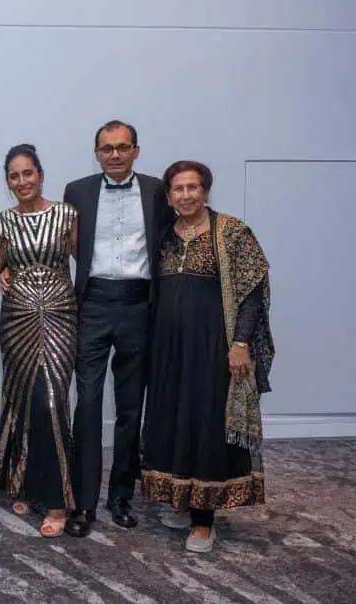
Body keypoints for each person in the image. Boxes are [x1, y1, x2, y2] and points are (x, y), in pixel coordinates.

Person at [141, 160, 273, 553]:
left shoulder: (230, 232)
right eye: (178, 189)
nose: (185, 195)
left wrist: (240, 344)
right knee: (172, 422)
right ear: (169, 196)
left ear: (206, 190)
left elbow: (252, 289)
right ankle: (181, 501)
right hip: (168, 350)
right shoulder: (165, 235)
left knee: (206, 426)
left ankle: (204, 521)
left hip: (212, 349)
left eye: (192, 187)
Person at [60, 120, 175, 538]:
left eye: (123, 147)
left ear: (136, 151)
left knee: (130, 409)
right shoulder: (77, 191)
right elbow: (61, 244)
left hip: (138, 306)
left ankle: (121, 497)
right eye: (107, 148)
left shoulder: (158, 191)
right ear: (96, 153)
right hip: (91, 305)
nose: (115, 154)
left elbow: (174, 240)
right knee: (87, 405)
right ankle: (83, 502)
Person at [0, 145, 78, 537]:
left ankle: (58, 499)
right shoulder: (2, 221)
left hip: (60, 315)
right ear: (8, 182)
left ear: (41, 175)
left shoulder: (66, 214)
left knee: (52, 401)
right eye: (14, 176)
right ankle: (20, 480)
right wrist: (2, 273)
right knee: (21, 396)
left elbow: (86, 260)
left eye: (28, 173)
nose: (22, 181)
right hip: (17, 318)